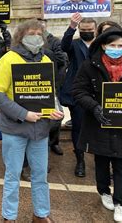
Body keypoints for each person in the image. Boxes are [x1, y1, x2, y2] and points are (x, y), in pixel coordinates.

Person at [0, 19, 64, 222]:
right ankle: (9, 216)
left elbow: (50, 93)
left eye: (40, 34)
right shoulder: (8, 59)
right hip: (15, 129)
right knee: (12, 176)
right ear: (20, 36)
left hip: (40, 129)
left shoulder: (46, 60)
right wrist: (23, 114)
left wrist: (56, 110)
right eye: (31, 33)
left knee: (40, 176)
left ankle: (40, 214)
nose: (36, 37)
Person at [72, 29, 122, 223]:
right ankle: (104, 192)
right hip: (98, 122)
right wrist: (95, 107)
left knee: (120, 164)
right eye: (112, 46)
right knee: (101, 162)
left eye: (120, 46)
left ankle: (121, 203)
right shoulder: (89, 66)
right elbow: (78, 90)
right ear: (103, 45)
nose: (117, 49)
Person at [60, 13, 97, 177]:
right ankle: (80, 160)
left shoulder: (101, 44)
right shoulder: (74, 44)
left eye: (89, 29)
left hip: (97, 92)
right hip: (78, 93)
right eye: (84, 29)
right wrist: (72, 27)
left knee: (100, 128)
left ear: (95, 29)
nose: (87, 31)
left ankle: (101, 161)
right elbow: (63, 46)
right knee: (78, 127)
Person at [38, 19, 68, 156]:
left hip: (52, 81)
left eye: (42, 22)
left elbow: (62, 60)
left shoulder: (54, 41)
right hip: (34, 85)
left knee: (57, 116)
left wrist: (57, 82)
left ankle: (54, 142)